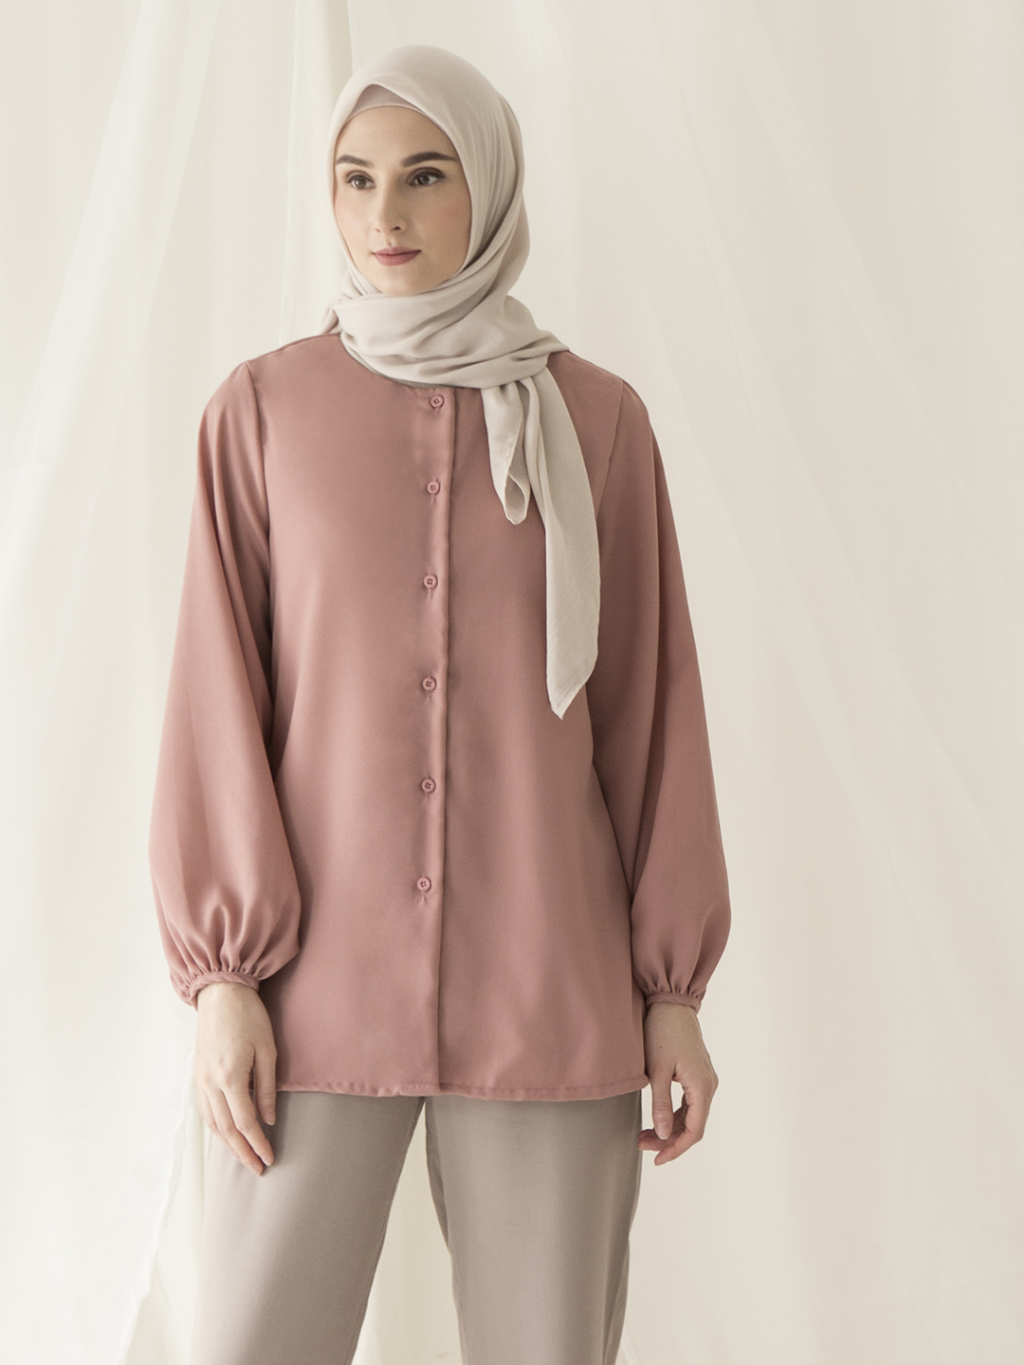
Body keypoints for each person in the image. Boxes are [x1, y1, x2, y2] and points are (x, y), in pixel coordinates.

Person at [148, 43, 731, 1365]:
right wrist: (224, 981)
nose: (386, 215)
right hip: (309, 996)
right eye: (356, 180)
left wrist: (673, 992)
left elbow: (650, 717)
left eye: (425, 176)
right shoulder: (262, 414)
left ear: (491, 188)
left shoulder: (597, 423)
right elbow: (215, 704)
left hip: (551, 985)